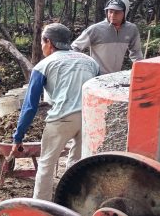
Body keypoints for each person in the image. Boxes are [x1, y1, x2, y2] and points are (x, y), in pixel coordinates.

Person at [10, 23, 99, 201]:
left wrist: (18, 137)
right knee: (77, 163)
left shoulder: (43, 65)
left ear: (48, 42)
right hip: (89, 118)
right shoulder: (90, 62)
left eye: (42, 42)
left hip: (62, 119)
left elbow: (30, 106)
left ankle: (41, 206)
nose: (42, 46)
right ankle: (71, 202)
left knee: (46, 165)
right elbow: (97, 90)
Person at [71, 0, 143, 75]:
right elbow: (75, 47)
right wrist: (80, 67)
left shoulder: (131, 29)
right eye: (110, 12)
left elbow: (136, 52)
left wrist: (141, 70)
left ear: (125, 12)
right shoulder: (95, 29)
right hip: (96, 76)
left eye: (117, 12)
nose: (112, 15)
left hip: (116, 76)